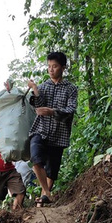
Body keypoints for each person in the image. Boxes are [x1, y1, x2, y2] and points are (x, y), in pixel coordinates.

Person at [27, 51, 78, 205]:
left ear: (63, 67)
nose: (51, 69)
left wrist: (52, 112)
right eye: (49, 66)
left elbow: (70, 110)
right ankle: (48, 193)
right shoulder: (43, 86)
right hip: (40, 130)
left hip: (59, 134)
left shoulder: (71, 89)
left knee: (52, 171)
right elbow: (36, 103)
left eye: (55, 66)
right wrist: (35, 89)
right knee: (35, 158)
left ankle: (44, 197)